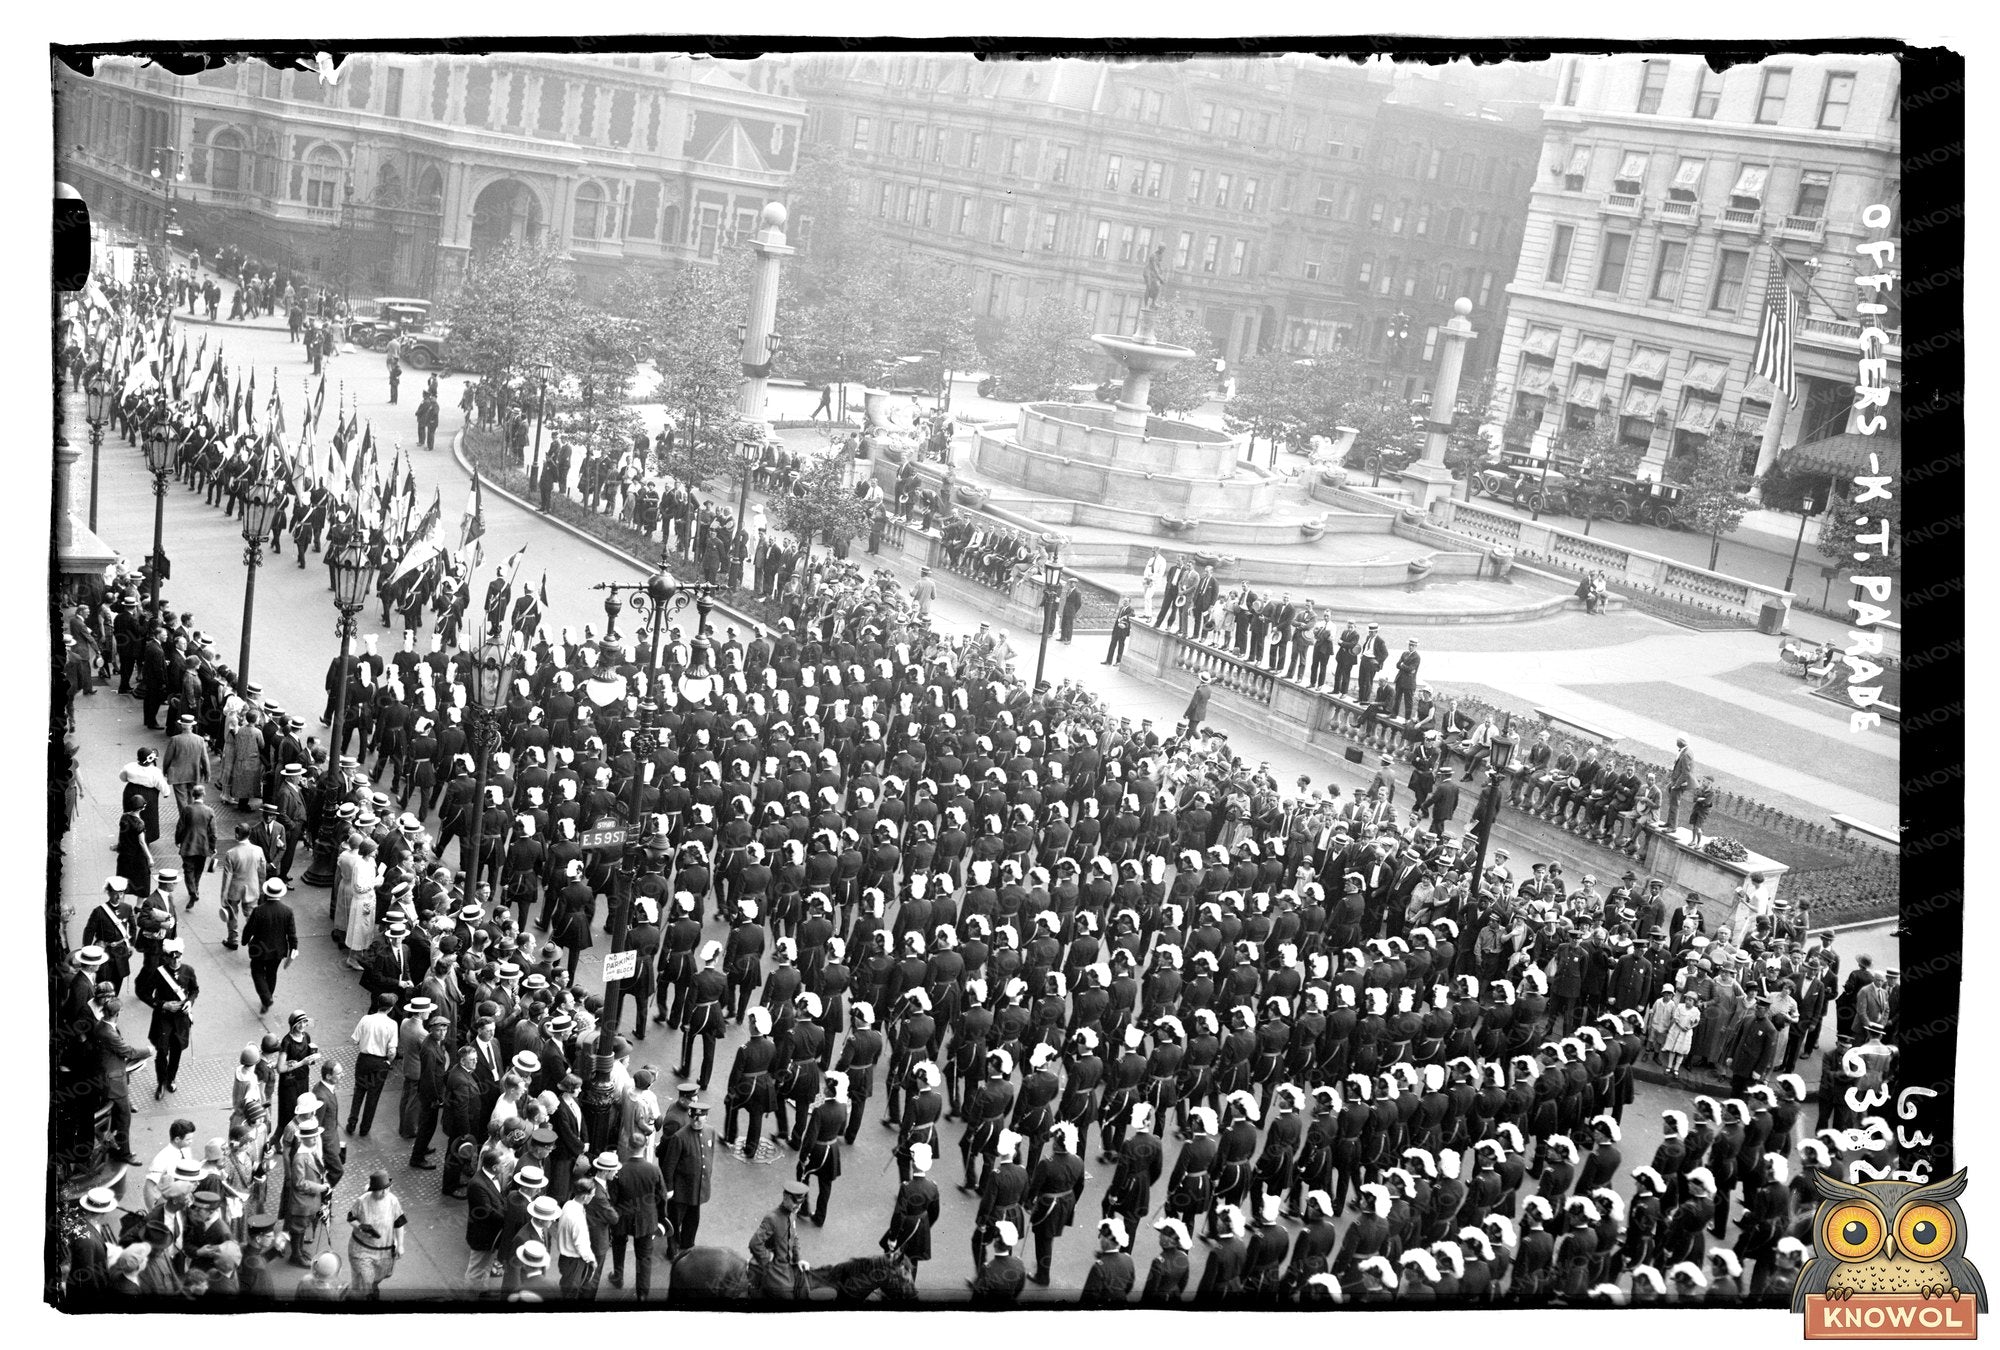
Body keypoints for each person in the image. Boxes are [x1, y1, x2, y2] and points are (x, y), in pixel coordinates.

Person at [345, 1171, 405, 1298]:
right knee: (365, 1278)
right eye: (380, 1190)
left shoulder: (393, 1201)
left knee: (379, 1276)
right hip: (362, 1250)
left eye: (387, 1189)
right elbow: (351, 1218)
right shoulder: (362, 1201)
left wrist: (400, 1245)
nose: (384, 1192)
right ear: (373, 1190)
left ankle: (372, 1289)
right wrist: (360, 1226)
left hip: (384, 1250)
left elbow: (399, 1223)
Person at [242, 880, 298, 1014]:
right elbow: (292, 934)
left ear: (267, 892)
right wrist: (293, 949)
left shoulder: (258, 910)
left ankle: (266, 997)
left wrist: (244, 941)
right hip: (278, 950)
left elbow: (249, 929)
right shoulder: (287, 911)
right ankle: (269, 997)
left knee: (257, 971)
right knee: (272, 973)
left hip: (259, 949)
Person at [748, 1180, 808, 1301]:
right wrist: (768, 1259)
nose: (798, 1207)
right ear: (785, 1198)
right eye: (795, 1203)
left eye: (801, 1204)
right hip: (775, 1273)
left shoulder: (791, 1214)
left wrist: (799, 1258)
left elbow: (794, 1237)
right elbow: (755, 1243)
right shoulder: (772, 1218)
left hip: (787, 1266)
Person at [1104, 599, 1135, 666]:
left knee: (1121, 646)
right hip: (1117, 629)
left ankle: (1118, 661)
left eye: (1126, 601)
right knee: (1112, 644)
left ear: (1129, 602)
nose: (1124, 602)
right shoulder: (1121, 608)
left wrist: (1125, 616)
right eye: (1124, 601)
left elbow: (1132, 615)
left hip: (1123, 630)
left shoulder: (1130, 609)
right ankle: (1108, 660)